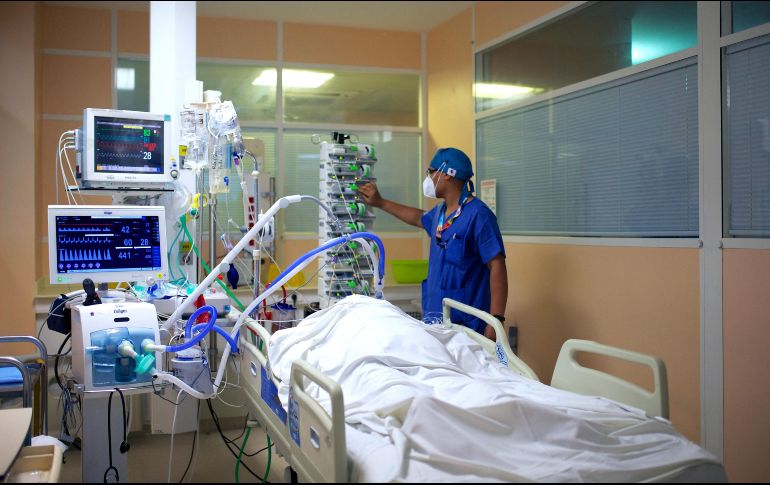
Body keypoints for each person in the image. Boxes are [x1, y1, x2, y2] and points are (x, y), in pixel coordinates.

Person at [358, 147, 507, 339]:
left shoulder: (478, 215)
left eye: (431, 171)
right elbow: (418, 218)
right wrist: (381, 203)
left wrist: (496, 321)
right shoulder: (440, 213)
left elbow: (497, 266)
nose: (428, 178)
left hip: (469, 325)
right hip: (436, 320)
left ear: (447, 174)